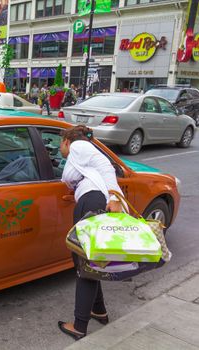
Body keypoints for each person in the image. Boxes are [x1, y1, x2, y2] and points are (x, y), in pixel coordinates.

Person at [57, 125, 123, 341]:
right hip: (92, 201)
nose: (60, 149)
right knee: (91, 262)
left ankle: (79, 325)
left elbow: (106, 166)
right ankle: (99, 311)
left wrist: (114, 195)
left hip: (91, 202)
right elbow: (71, 176)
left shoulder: (79, 146)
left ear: (67, 140)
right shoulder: (81, 158)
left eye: (60, 144)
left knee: (84, 263)